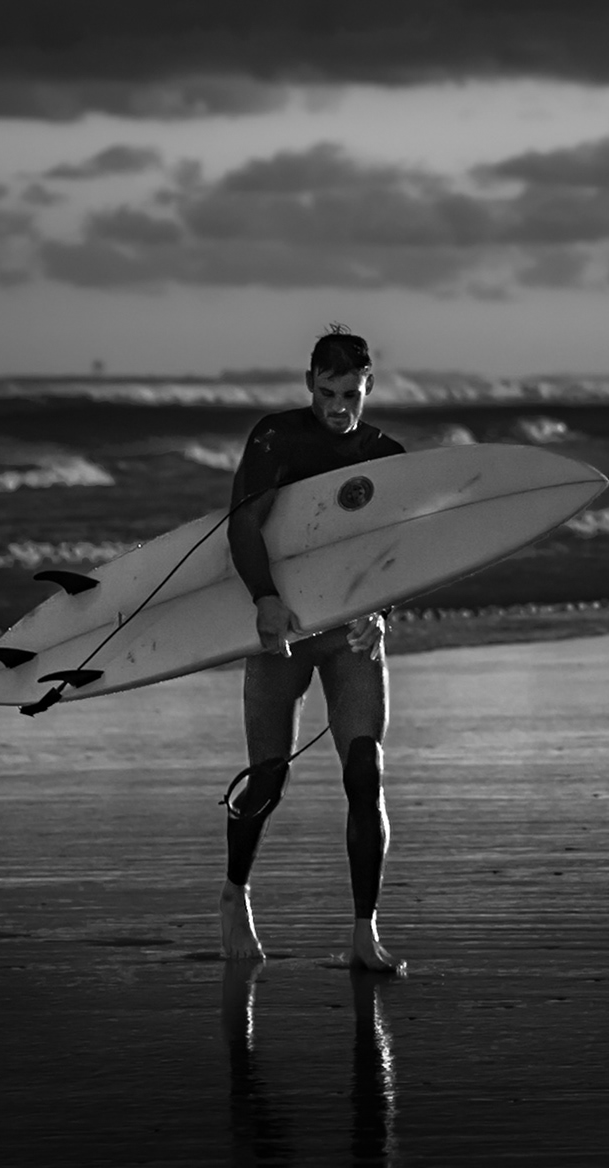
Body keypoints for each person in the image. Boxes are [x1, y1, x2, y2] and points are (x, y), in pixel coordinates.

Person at [219, 327, 407, 973]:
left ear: (368, 386)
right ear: (309, 384)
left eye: (350, 394)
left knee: (365, 773)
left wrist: (381, 614)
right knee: (268, 777)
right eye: (327, 393)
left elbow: (397, 553)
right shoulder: (278, 438)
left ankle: (364, 931)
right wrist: (265, 599)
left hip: (350, 630)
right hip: (283, 630)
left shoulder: (387, 455)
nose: (338, 408)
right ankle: (235, 894)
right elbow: (243, 524)